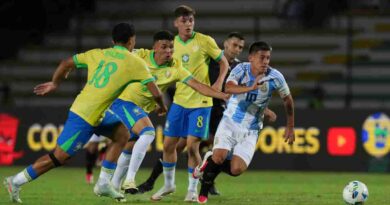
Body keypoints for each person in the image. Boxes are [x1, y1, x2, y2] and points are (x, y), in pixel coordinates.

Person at [3, 23, 162, 203]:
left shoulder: (97, 53)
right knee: (58, 158)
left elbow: (65, 63)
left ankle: (103, 183)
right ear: (132, 40)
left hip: (97, 111)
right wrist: (162, 107)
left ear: (113, 41)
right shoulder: (135, 62)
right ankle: (15, 181)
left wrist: (55, 84)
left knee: (122, 135)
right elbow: (156, 92)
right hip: (84, 116)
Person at [106, 30, 229, 194]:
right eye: (164, 47)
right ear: (154, 48)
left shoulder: (176, 67)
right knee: (148, 132)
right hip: (123, 102)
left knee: (130, 145)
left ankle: (113, 187)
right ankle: (129, 180)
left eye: (171, 47)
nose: (168, 51)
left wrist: (222, 95)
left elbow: (198, 85)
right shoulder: (140, 55)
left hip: (140, 110)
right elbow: (117, 52)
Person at [195, 41, 296, 204]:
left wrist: (290, 126)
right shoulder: (241, 69)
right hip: (230, 122)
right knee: (220, 157)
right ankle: (203, 193)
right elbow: (228, 88)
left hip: (252, 129)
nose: (265, 62)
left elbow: (288, 100)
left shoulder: (275, 76)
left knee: (236, 170)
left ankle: (209, 160)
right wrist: (251, 88)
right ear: (251, 58)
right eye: (262, 58)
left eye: (268, 58)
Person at [150, 5, 230, 202]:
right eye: (184, 21)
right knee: (168, 145)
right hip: (179, 101)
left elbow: (224, 62)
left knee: (193, 146)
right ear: (176, 23)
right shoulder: (171, 45)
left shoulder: (204, 41)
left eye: (191, 21)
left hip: (201, 102)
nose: (188, 24)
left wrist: (218, 84)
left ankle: (193, 190)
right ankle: (169, 184)